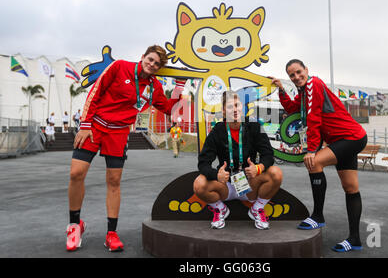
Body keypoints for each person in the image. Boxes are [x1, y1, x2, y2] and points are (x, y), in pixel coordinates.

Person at [66, 45, 186, 252]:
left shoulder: (154, 87)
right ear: (142, 57)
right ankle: (75, 226)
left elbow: (168, 109)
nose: (152, 64)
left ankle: (111, 233)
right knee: (76, 173)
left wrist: (179, 88)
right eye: (150, 59)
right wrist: (85, 125)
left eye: (157, 64)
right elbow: (95, 92)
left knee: (114, 181)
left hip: (119, 132)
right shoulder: (120, 66)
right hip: (94, 125)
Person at [271, 59, 367, 252]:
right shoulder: (303, 92)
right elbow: (292, 109)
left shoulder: (313, 84)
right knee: (350, 187)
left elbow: (313, 119)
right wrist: (281, 89)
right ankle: (354, 239)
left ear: (306, 70)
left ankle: (317, 216)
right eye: (292, 75)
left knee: (313, 162)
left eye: (299, 72)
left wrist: (311, 149)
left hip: (351, 137)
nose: (296, 77)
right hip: (342, 141)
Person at [194, 91, 283, 230]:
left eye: (237, 105)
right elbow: (203, 162)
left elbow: (268, 155)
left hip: (249, 184)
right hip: (226, 185)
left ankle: (257, 208)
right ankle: (220, 209)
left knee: (276, 173)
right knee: (199, 184)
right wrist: (216, 175)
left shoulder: (254, 126)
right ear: (223, 111)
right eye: (230, 107)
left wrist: (258, 168)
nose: (234, 110)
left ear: (242, 107)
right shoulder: (217, 131)